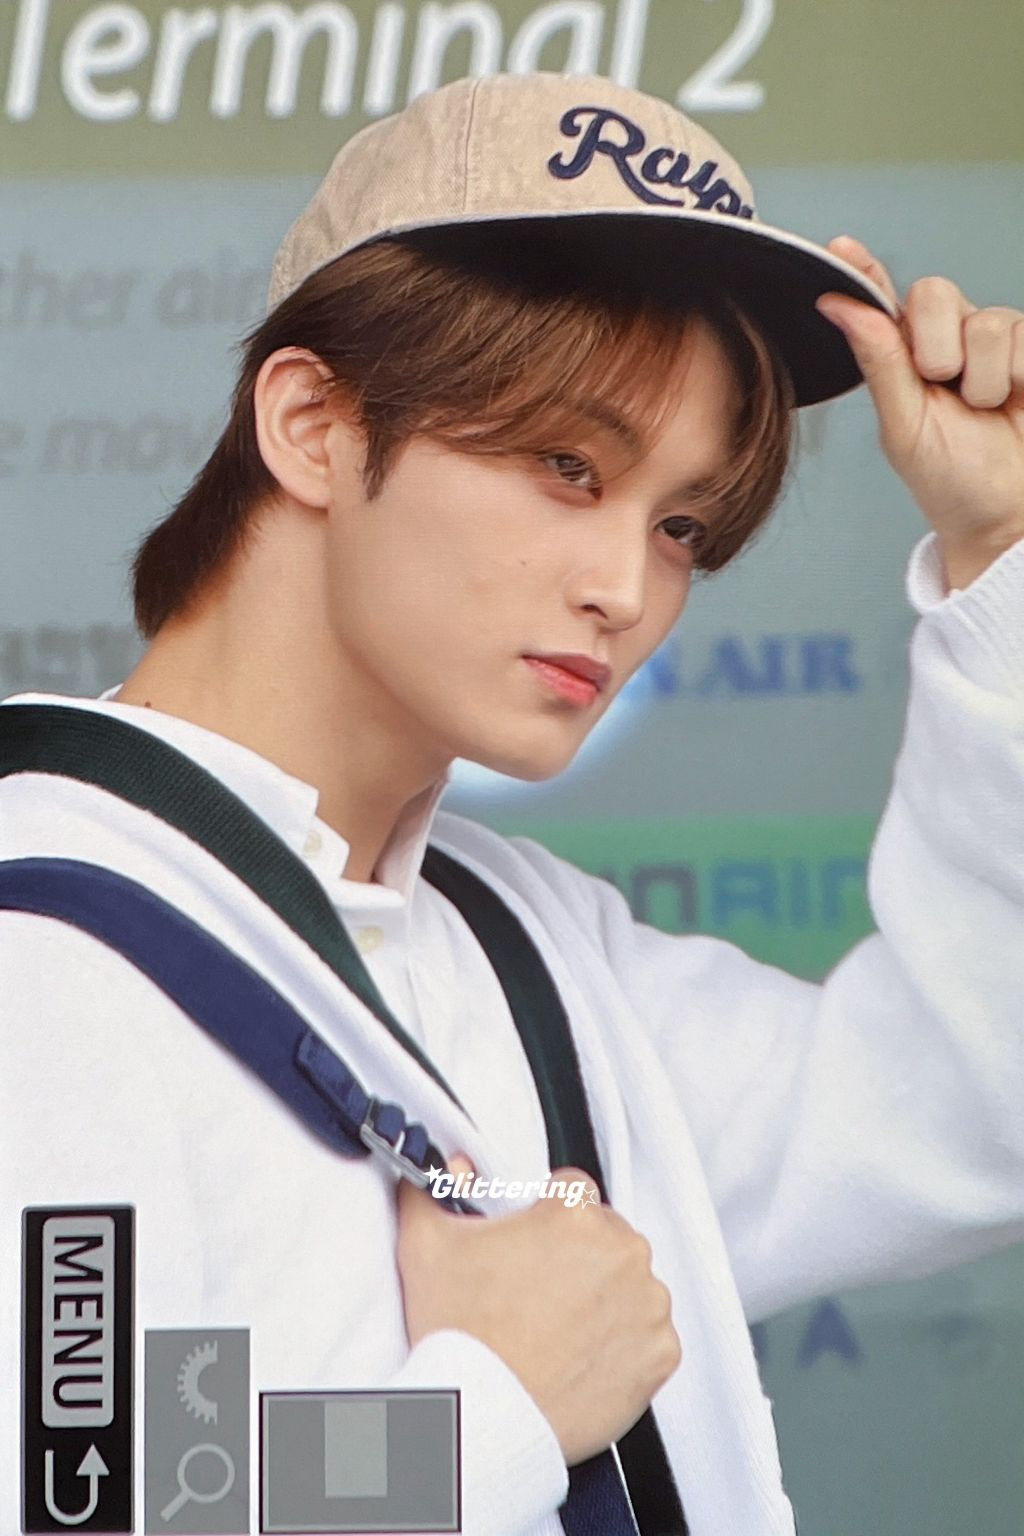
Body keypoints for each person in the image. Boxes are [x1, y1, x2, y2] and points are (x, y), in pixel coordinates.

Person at [2, 69, 1023, 1536]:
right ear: (312, 424)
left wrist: (1004, 555)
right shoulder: (44, 965)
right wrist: (493, 1412)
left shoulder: (518, 942)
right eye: (566, 465)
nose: (628, 588)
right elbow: (88, 1513)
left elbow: (967, 1104)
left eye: (681, 525)